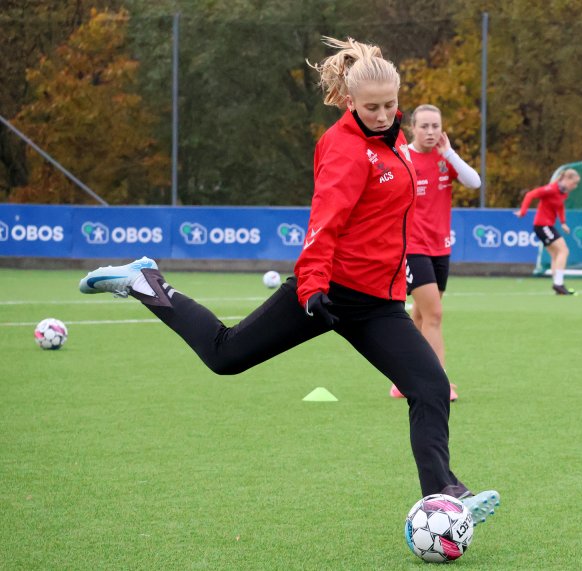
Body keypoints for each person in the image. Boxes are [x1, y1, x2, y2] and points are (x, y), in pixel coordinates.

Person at [78, 36, 499, 524]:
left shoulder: (396, 140)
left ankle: (443, 493)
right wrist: (314, 286)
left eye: (390, 105)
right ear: (349, 102)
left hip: (378, 303)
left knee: (429, 388)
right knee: (225, 355)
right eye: (372, 108)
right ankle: (147, 283)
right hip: (328, 292)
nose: (384, 115)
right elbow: (325, 222)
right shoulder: (343, 148)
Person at [389, 104, 480, 402]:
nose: (430, 132)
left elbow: (474, 182)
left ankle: (403, 380)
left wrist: (449, 153)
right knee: (434, 315)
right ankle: (439, 383)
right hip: (412, 248)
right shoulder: (403, 157)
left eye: (435, 126)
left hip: (441, 249)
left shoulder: (444, 159)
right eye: (424, 126)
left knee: (419, 315)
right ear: (412, 128)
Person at [514, 168, 581, 295]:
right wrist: (523, 211)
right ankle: (558, 284)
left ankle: (558, 285)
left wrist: (563, 222)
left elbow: (560, 207)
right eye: (574, 183)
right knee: (563, 251)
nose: (575, 186)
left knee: (556, 254)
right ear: (566, 179)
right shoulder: (551, 189)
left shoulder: (564, 193)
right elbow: (530, 195)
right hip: (542, 225)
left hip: (547, 226)